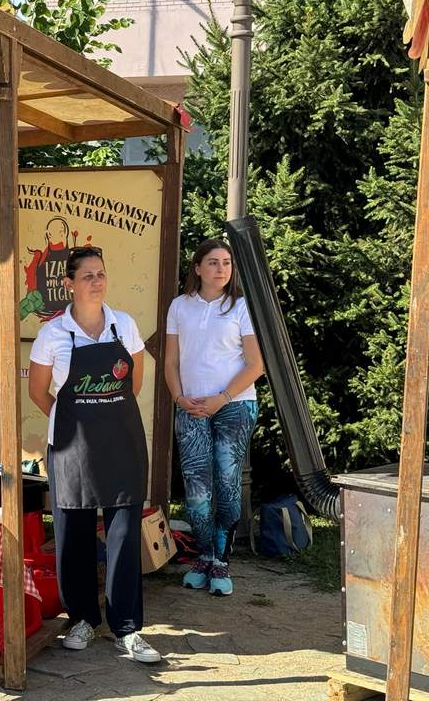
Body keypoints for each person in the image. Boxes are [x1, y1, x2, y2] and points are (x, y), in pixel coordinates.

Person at [27, 246, 160, 663]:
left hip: (121, 441)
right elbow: (37, 391)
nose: (97, 282)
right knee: (74, 533)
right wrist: (70, 418)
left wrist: (103, 413)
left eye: (101, 273)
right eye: (87, 276)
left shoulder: (125, 325)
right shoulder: (53, 333)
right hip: (71, 446)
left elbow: (133, 382)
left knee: (122, 535)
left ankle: (127, 629)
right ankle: (82, 619)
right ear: (69, 285)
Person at [165, 238, 264, 596]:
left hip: (234, 406)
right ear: (197, 268)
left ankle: (221, 560)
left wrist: (222, 399)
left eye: (226, 263)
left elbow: (256, 365)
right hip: (190, 405)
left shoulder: (241, 307)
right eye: (213, 262)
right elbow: (171, 361)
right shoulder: (180, 306)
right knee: (196, 490)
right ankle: (202, 555)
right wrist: (179, 397)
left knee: (226, 481)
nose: (221, 269)